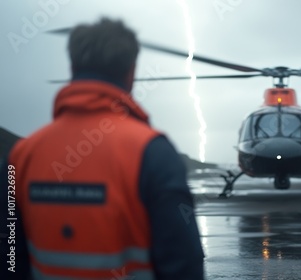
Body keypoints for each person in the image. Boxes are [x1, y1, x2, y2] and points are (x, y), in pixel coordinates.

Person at [0, 18, 204, 279]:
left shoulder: (20, 156)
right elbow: (183, 264)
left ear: (72, 67)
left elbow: (9, 257)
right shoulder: (152, 152)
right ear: (131, 72)